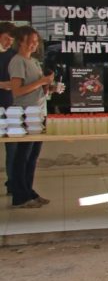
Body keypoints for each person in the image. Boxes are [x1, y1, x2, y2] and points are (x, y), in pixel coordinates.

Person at [8, 25, 55, 208]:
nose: (34, 45)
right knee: (23, 155)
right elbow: (17, 91)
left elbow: (37, 87)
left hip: (39, 113)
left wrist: (48, 87)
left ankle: (28, 190)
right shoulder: (17, 61)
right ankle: (20, 195)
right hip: (25, 114)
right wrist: (41, 81)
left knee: (33, 156)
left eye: (36, 42)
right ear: (21, 42)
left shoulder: (34, 62)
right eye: (31, 42)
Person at [0, 22, 18, 194]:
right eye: (6, 38)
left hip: (10, 105)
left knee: (12, 146)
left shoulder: (13, 56)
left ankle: (12, 183)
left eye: (11, 40)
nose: (8, 43)